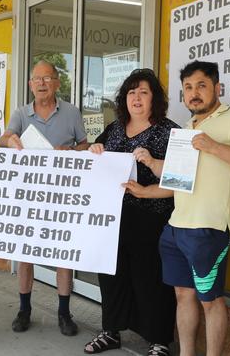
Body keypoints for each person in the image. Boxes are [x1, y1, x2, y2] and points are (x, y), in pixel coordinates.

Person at [124, 60, 230, 356]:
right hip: (176, 227)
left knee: (211, 301)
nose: (194, 93)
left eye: (201, 85)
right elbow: (179, 182)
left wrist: (214, 146)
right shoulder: (189, 127)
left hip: (209, 229)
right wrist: (146, 186)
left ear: (217, 88)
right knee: (183, 296)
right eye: (188, 88)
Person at [84, 68, 177, 356]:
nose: (136, 97)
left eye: (144, 92)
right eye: (131, 92)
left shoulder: (170, 131)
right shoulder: (113, 128)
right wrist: (94, 148)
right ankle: (110, 331)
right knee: (112, 276)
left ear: (155, 99)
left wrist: (151, 167)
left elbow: (182, 178)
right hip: (112, 218)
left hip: (152, 217)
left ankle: (159, 340)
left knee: (150, 279)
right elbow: (93, 154)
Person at [0, 60, 89, 336]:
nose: (41, 83)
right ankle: (24, 309)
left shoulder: (72, 113)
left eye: (47, 78)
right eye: (36, 79)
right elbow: (4, 138)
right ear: (30, 84)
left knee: (63, 254)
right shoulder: (22, 113)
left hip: (62, 194)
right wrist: (10, 140)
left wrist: (71, 150)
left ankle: (64, 312)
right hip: (29, 194)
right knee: (26, 254)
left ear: (57, 83)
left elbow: (85, 144)